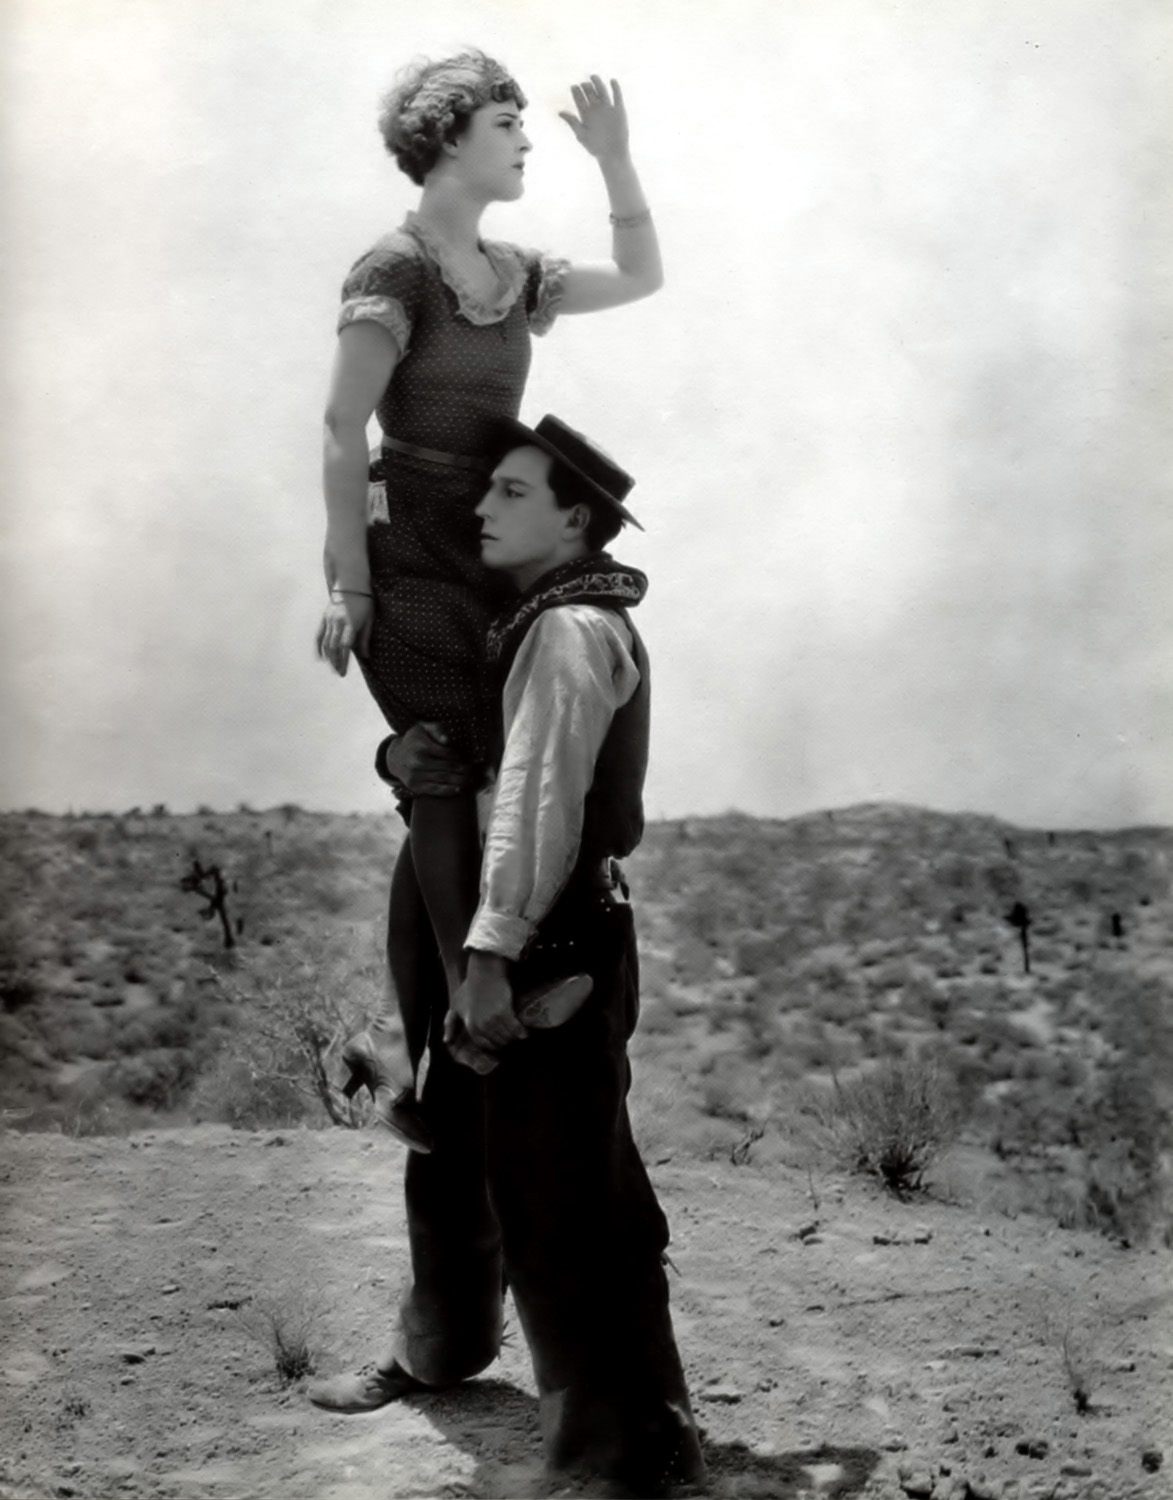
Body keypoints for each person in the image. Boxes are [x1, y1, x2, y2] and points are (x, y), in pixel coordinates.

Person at [308, 416, 706, 1500]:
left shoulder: (571, 629)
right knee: (448, 1153)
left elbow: (536, 798)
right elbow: (466, 761)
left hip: (540, 936)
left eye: (514, 493)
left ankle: (627, 1452)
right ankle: (441, 1351)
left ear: (576, 520)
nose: (482, 507)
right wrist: (397, 754)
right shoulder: (509, 621)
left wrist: (487, 956)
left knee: (564, 1188)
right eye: (487, 489)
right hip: (485, 930)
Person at [314, 51, 663, 1147]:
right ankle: (435, 1039)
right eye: (506, 123)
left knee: (486, 773)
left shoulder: (511, 271)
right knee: (444, 769)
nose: (523, 141)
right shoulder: (396, 268)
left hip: (484, 546)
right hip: (408, 544)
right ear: (449, 135)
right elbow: (342, 427)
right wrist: (347, 583)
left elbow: (640, 277)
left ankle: (411, 1036)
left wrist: (616, 161)